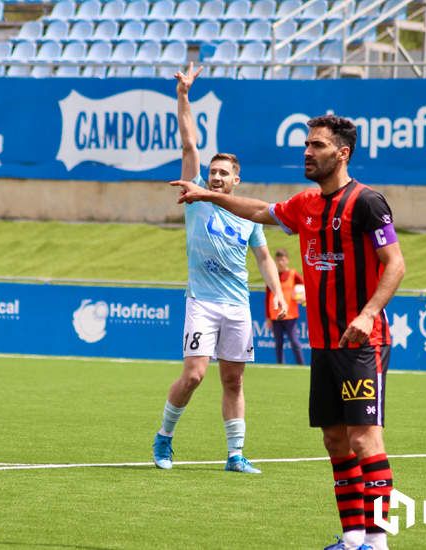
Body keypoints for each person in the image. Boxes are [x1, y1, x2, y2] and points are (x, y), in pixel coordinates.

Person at [171, 114, 405, 550]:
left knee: (363, 439)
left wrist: (369, 313)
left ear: (342, 153)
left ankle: (378, 542)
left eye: (317, 145)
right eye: (306, 144)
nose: (307, 152)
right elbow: (260, 210)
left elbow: (396, 264)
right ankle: (353, 537)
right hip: (322, 345)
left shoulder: (368, 203)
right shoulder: (306, 205)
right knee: (335, 440)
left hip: (361, 344)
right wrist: (207, 195)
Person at [152, 63, 288, 474]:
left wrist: (277, 290)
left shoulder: (247, 215)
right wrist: (183, 96)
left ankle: (235, 454)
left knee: (234, 380)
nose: (215, 177)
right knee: (194, 376)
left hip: (237, 306)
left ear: (236, 180)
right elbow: (189, 143)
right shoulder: (195, 197)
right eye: (212, 172)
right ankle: (164, 437)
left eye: (222, 173)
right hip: (203, 303)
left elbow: (263, 256)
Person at [266, 248, 305, 365]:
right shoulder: (272, 277)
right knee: (278, 343)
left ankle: (301, 365)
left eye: (282, 260)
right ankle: (280, 366)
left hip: (290, 315)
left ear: (287, 260)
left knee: (294, 342)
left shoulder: (293, 274)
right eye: (278, 260)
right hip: (275, 316)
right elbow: (267, 298)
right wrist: (268, 317)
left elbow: (306, 285)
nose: (280, 263)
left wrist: (302, 296)